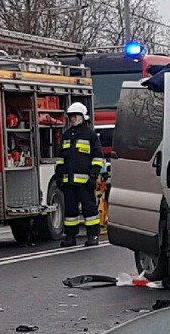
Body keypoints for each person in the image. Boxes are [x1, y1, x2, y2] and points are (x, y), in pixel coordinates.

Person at [55, 102, 105, 247]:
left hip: (85, 182)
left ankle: (93, 236)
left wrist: (93, 177)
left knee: (90, 211)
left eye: (76, 116)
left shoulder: (90, 135)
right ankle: (70, 237)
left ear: (83, 117)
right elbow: (61, 159)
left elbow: (97, 158)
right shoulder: (66, 136)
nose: (73, 119)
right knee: (70, 212)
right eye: (71, 116)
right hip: (68, 182)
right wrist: (59, 176)